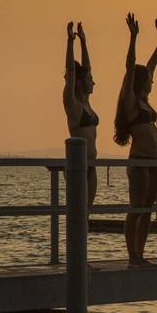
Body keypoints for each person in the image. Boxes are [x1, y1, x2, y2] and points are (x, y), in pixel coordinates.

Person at [113, 13, 157, 267]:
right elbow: (130, 69)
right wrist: (133, 38)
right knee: (137, 207)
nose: (153, 81)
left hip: (155, 160)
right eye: (149, 79)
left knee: (149, 208)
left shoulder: (146, 101)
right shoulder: (131, 102)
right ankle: (132, 255)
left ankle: (140, 254)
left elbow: (151, 65)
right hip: (140, 159)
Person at [63, 21, 99, 207]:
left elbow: (87, 68)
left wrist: (84, 42)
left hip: (92, 165)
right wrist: (70, 42)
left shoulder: (87, 102)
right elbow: (70, 72)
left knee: (86, 215)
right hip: (78, 165)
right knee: (77, 212)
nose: (93, 82)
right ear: (80, 82)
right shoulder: (73, 103)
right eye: (90, 80)